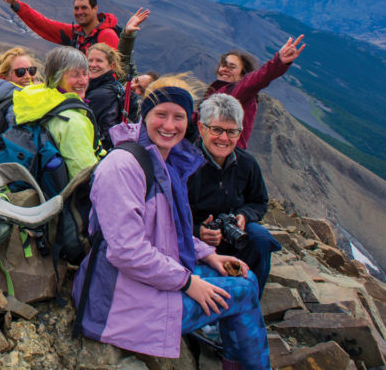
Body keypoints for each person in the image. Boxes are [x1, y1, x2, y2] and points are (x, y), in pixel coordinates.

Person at [73, 75, 269, 370]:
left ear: (188, 123)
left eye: (178, 117)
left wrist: (208, 255)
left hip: (143, 282)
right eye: (160, 115)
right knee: (241, 293)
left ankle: (236, 362)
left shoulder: (161, 160)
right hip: (116, 302)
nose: (169, 125)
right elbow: (127, 252)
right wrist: (189, 283)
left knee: (246, 279)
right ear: (145, 115)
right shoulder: (123, 167)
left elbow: (167, 230)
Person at [188, 94, 280, 297]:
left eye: (231, 132)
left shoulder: (247, 164)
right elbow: (167, 214)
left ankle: (250, 299)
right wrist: (198, 231)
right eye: (217, 129)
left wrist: (244, 216)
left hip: (232, 238)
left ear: (240, 133)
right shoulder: (184, 164)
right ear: (202, 128)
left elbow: (259, 201)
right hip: (191, 239)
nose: (223, 138)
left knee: (261, 239)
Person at [10, 46, 99, 178]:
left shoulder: (36, 100)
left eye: (85, 73)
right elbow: (85, 174)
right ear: (56, 77)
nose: (83, 81)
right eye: (74, 75)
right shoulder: (72, 122)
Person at [204, 35, 306, 149]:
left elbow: (256, 80)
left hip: (224, 154)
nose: (225, 69)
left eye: (232, 67)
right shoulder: (215, 92)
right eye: (223, 65)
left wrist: (279, 62)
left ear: (242, 75)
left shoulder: (237, 93)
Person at [0, 0, 150, 53]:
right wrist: (16, 4)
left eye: (84, 8)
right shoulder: (76, 33)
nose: (79, 12)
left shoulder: (107, 36)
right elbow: (43, 25)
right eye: (76, 8)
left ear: (95, 9)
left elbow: (116, 69)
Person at [85, 43, 127, 148]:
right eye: (90, 60)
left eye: (99, 61)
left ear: (111, 66)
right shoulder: (114, 87)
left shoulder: (100, 95)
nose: (93, 65)